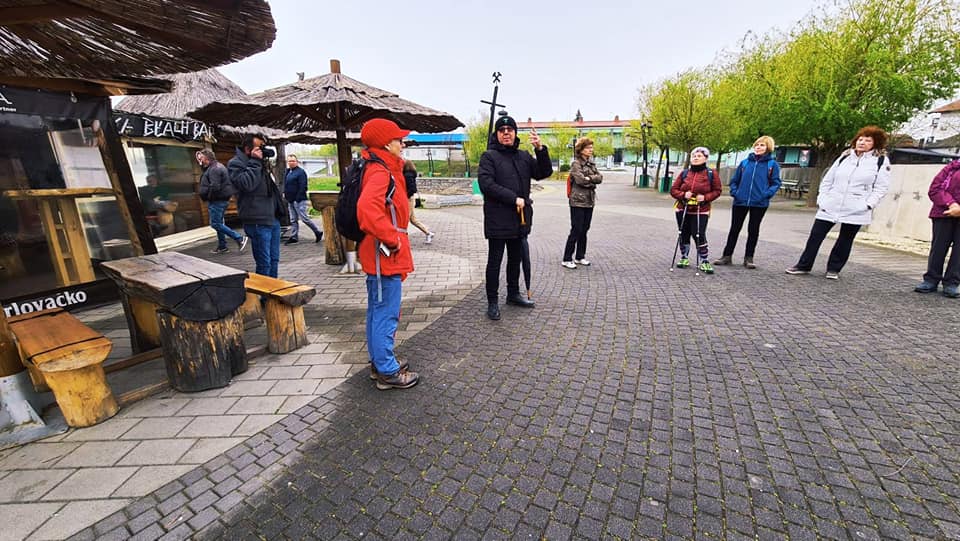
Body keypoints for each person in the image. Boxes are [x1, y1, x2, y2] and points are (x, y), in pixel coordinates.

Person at [357, 118, 419, 390]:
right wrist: (393, 239)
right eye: (398, 139)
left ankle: (380, 361)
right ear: (385, 142)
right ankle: (387, 370)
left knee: (377, 310)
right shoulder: (381, 172)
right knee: (387, 312)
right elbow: (367, 210)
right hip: (385, 255)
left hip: (378, 253)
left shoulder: (377, 167)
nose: (402, 143)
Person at [786, 126, 891, 279]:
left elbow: (881, 187)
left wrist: (868, 204)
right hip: (831, 204)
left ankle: (834, 269)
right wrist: (823, 199)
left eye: (868, 140)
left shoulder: (880, 161)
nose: (862, 143)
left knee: (845, 239)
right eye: (860, 139)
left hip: (857, 207)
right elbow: (828, 179)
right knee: (815, 236)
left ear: (875, 144)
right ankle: (803, 265)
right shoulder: (844, 157)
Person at [478, 113, 553, 320]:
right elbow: (487, 185)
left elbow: (543, 172)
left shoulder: (523, 156)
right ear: (497, 134)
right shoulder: (489, 157)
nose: (506, 134)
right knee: (495, 261)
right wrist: (514, 198)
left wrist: (540, 149)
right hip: (497, 218)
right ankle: (492, 302)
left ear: (515, 133)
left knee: (515, 259)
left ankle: (513, 294)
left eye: (509, 130)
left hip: (519, 219)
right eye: (502, 131)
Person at [714, 136, 781, 269]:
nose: (758, 147)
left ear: (768, 148)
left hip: (759, 203)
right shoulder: (745, 163)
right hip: (740, 201)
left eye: (762, 145)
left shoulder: (772, 165)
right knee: (734, 229)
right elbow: (734, 181)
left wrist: (765, 195)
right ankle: (727, 256)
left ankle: (749, 258)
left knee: (753, 230)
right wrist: (735, 192)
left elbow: (776, 183)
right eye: (757, 145)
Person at [228, 134, 283, 278]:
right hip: (257, 220)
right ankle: (264, 298)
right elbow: (247, 184)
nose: (263, 151)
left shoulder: (260, 163)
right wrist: (255, 162)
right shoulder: (236, 163)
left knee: (274, 260)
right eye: (260, 147)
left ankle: (272, 296)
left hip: (272, 218)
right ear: (248, 149)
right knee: (264, 263)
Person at [670, 146, 722, 274]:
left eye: (699, 156)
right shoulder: (684, 173)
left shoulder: (711, 173)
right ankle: (684, 257)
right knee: (683, 233)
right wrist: (683, 195)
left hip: (701, 209)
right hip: (683, 208)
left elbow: (717, 191)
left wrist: (705, 197)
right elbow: (673, 190)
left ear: (705, 158)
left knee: (699, 234)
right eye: (694, 156)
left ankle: (704, 260)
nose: (696, 158)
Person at [914, 159, 960, 298]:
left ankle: (952, 282)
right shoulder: (952, 167)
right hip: (943, 212)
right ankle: (931, 279)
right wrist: (951, 204)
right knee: (938, 247)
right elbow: (935, 188)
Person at [562, 137, 602, 268]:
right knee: (576, 229)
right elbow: (579, 180)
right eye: (588, 148)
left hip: (589, 200)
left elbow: (600, 177)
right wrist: (591, 180)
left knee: (585, 229)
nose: (591, 150)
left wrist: (589, 178)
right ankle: (567, 258)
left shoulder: (591, 163)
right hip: (577, 201)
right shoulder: (576, 164)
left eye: (591, 147)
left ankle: (580, 256)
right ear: (581, 150)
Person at [197, 149, 247, 254]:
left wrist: (209, 197)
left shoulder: (215, 169)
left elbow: (215, 186)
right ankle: (222, 246)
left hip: (217, 201)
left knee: (215, 224)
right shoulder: (214, 167)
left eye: (201, 158)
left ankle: (239, 238)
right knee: (219, 223)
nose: (200, 160)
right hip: (219, 200)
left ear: (207, 158)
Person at [283, 154, 323, 245]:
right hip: (290, 200)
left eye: (293, 161)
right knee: (293, 219)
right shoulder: (288, 171)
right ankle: (294, 236)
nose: (291, 163)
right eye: (289, 161)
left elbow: (303, 186)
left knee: (304, 218)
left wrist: (297, 198)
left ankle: (317, 232)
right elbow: (286, 184)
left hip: (299, 200)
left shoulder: (301, 172)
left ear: (297, 162)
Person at [402, 160, 434, 244]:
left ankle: (402, 237)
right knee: (412, 219)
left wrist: (406, 196)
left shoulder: (407, 175)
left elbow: (412, 189)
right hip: (410, 198)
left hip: (408, 199)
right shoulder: (411, 174)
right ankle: (428, 233)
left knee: (405, 219)